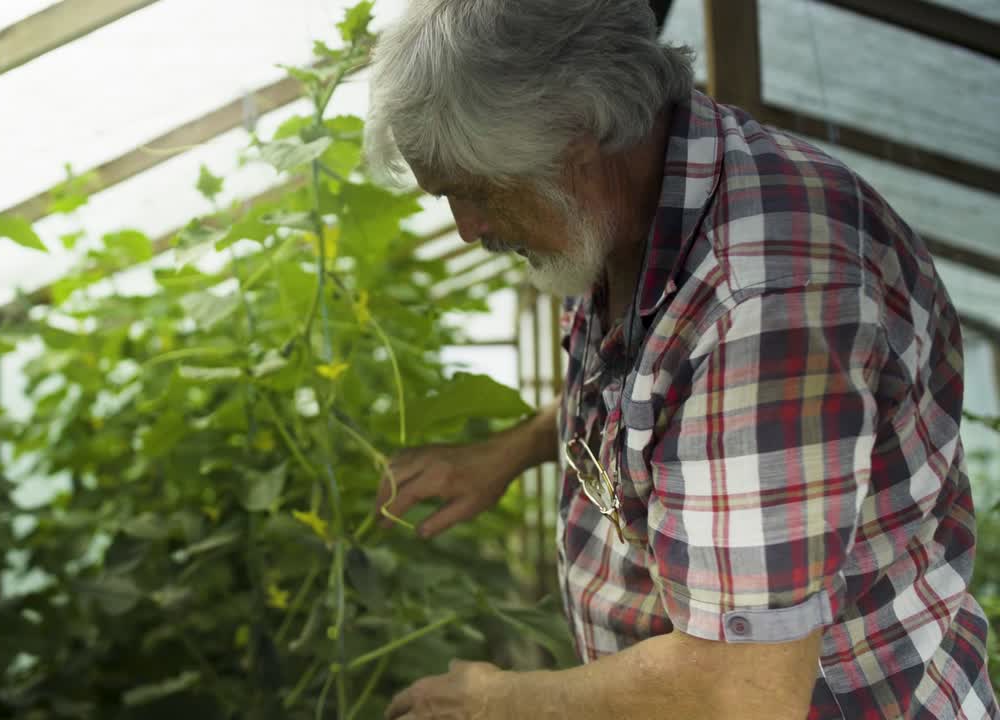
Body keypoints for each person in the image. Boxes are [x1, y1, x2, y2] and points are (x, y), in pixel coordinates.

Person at [364, 1, 998, 718]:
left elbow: (743, 692)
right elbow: (655, 402)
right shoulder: (623, 210)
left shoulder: (768, 301)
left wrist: (500, 701)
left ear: (576, 130)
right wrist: (508, 453)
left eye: (473, 189)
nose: (467, 227)